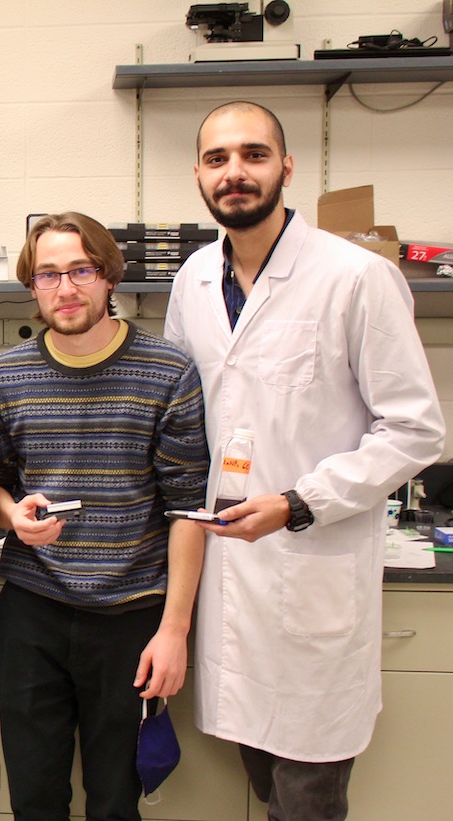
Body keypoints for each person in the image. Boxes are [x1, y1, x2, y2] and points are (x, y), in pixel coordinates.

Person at [165, 101, 446, 820]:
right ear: (198, 173)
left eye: (254, 155)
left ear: (286, 167)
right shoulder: (192, 279)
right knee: (260, 775)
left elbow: (416, 430)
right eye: (218, 158)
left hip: (311, 562)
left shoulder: (356, 276)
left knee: (309, 797)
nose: (235, 172)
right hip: (227, 575)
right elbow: (181, 415)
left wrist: (298, 501)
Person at [0, 212, 209, 819]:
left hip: (130, 620)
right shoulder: (6, 376)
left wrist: (174, 630)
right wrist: (14, 516)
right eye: (48, 274)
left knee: (115, 803)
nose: (65, 289)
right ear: (31, 285)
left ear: (109, 276)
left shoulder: (167, 372)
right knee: (35, 799)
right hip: (33, 616)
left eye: (80, 270)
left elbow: (189, 509)